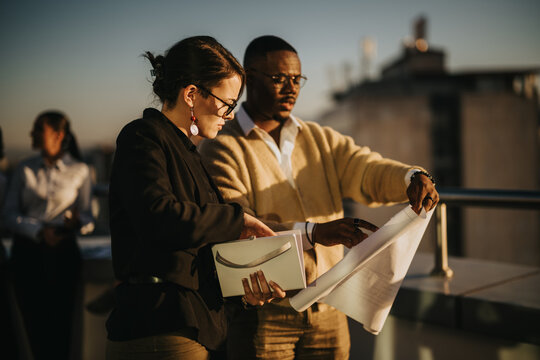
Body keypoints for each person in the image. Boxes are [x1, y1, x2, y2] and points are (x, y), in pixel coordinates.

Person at [199, 35, 439, 360]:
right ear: (250, 78)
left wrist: (411, 177)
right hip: (264, 317)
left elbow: (366, 170)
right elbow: (239, 225)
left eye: (297, 79)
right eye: (279, 78)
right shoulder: (221, 147)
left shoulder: (318, 138)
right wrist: (315, 232)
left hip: (329, 310)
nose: (291, 88)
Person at [105, 36, 286, 360]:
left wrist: (244, 288)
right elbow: (159, 217)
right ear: (191, 94)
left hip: (193, 326)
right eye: (227, 103)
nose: (230, 115)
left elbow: (196, 251)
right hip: (162, 326)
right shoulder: (142, 137)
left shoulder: (189, 153)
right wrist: (237, 220)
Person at [3, 111, 95, 360]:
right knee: (32, 323)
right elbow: (9, 214)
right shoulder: (25, 168)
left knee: (62, 322)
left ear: (58, 135)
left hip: (64, 252)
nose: (31, 134)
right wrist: (39, 232)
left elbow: (88, 218)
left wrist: (76, 223)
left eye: (37, 129)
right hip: (28, 252)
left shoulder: (80, 170)